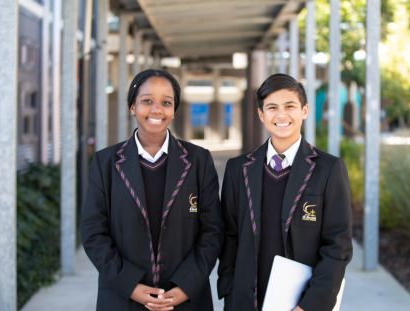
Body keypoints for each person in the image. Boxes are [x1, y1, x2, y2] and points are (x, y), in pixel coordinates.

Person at [82, 69, 223, 311]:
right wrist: (130, 285)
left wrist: (185, 287)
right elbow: (94, 233)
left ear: (174, 109)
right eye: (147, 101)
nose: (157, 109)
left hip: (185, 300)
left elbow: (212, 231)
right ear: (132, 107)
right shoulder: (106, 163)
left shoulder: (199, 160)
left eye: (166, 103)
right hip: (123, 298)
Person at [217, 73, 353, 311]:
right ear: (261, 115)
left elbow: (337, 246)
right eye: (272, 107)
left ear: (305, 110)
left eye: (289, 106)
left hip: (301, 302)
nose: (281, 115)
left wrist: (310, 305)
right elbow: (229, 236)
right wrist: (229, 288)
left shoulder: (329, 169)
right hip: (244, 301)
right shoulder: (237, 169)